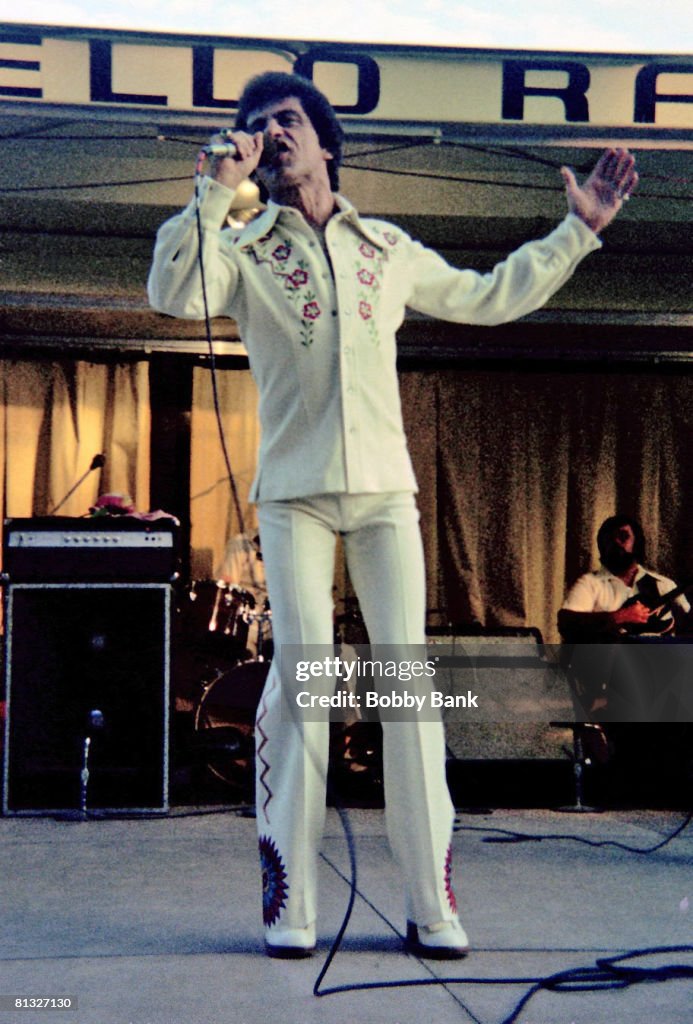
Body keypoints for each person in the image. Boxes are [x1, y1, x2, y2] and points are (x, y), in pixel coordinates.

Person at [148, 71, 637, 959]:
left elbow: (486, 296)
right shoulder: (242, 246)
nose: (270, 133)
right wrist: (213, 192)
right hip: (292, 494)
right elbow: (173, 295)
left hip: (383, 496)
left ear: (326, 141)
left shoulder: (383, 245)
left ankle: (429, 901)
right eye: (256, 126)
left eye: (286, 120)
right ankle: (288, 900)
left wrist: (578, 232)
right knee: (302, 685)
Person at [558, 514, 691, 718]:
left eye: (623, 536)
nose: (615, 542)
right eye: (608, 538)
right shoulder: (590, 584)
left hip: (663, 687)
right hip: (609, 689)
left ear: (637, 542)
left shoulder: (663, 585)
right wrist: (619, 617)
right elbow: (566, 623)